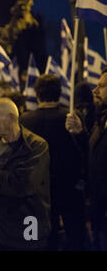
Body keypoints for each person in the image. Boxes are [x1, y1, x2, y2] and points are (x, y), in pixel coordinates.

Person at [0, 98, 51, 250]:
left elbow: (24, 183)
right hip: (0, 227)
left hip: (28, 224)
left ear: (10, 118)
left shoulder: (36, 145)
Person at [21, 74, 86, 250]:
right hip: (68, 186)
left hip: (38, 189)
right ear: (59, 92)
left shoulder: (25, 120)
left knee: (41, 236)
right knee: (76, 235)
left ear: (37, 94)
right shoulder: (71, 117)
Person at [66, 68, 107, 250]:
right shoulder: (102, 120)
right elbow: (93, 155)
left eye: (102, 86)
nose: (95, 91)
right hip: (98, 208)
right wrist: (81, 133)